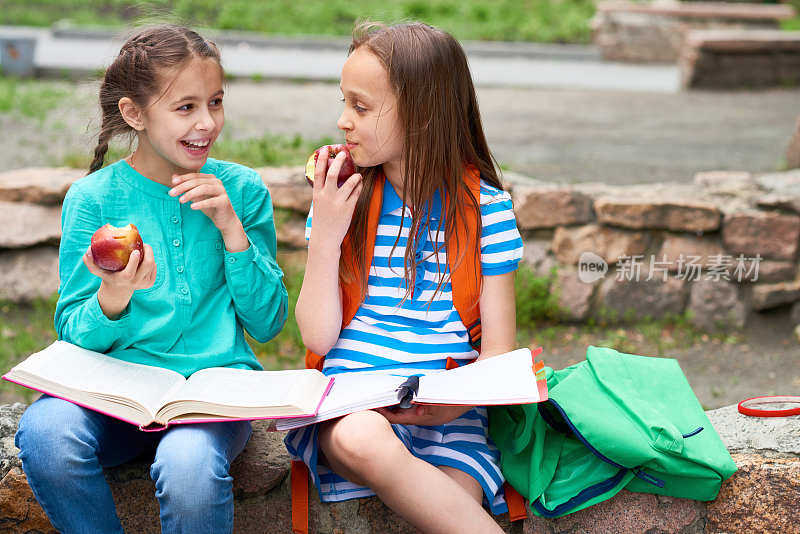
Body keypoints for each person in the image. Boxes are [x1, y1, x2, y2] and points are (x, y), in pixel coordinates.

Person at [15, 25, 288, 534]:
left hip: (210, 394)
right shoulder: (93, 199)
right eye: (185, 107)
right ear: (134, 114)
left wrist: (232, 231)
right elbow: (74, 331)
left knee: (188, 468)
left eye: (215, 102)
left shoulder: (243, 191)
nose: (207, 122)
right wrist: (113, 294)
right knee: (47, 434)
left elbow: (269, 322)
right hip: (113, 394)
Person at [285, 21, 524, 534]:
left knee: (451, 503)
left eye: (362, 107)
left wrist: (453, 404)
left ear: (423, 114)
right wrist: (326, 234)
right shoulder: (341, 200)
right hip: (353, 409)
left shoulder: (485, 209)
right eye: (344, 102)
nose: (343, 121)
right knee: (367, 442)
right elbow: (316, 337)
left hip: (451, 418)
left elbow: (500, 350)